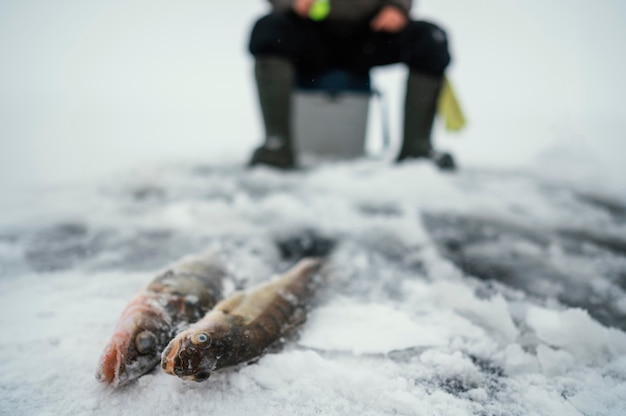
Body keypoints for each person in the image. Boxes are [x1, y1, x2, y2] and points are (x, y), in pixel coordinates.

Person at [247, 0, 455, 170]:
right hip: (309, 28)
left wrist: (397, 7)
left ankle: (416, 152)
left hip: (373, 31)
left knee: (430, 39)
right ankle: (277, 148)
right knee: (268, 30)